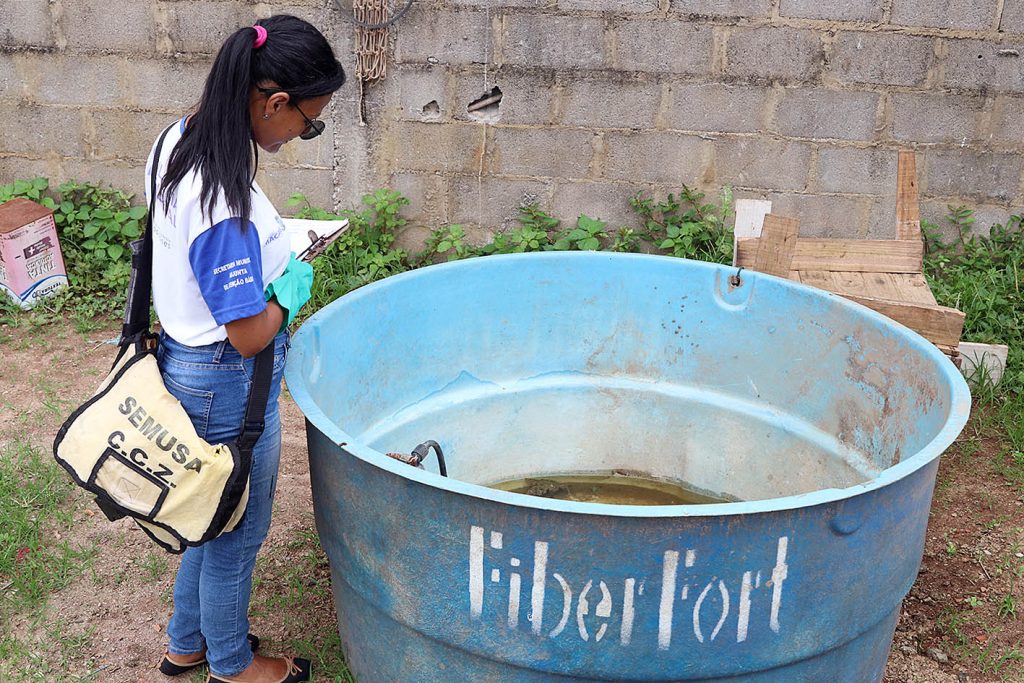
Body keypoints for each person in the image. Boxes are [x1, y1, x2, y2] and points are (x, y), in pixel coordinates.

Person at [144, 15, 346, 683]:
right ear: (274, 101)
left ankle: (187, 642)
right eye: (308, 122)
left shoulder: (179, 139)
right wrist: (290, 291)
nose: (303, 135)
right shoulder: (220, 192)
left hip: (188, 362)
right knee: (236, 533)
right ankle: (233, 665)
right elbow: (249, 331)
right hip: (227, 380)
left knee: (209, 514)